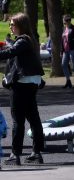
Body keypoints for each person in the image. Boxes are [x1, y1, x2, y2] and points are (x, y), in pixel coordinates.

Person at [0, 13, 45, 165]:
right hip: (31, 83)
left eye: (12, 24)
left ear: (20, 25)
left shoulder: (23, 40)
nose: (10, 27)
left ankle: (15, 154)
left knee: (18, 120)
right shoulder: (29, 40)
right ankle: (36, 153)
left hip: (22, 85)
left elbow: (10, 53)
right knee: (33, 118)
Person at [61, 14, 74, 88]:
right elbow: (62, 41)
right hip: (65, 50)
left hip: (73, 50)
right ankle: (68, 81)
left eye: (69, 20)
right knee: (63, 65)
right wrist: (62, 51)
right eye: (66, 20)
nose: (68, 21)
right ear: (64, 21)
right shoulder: (64, 29)